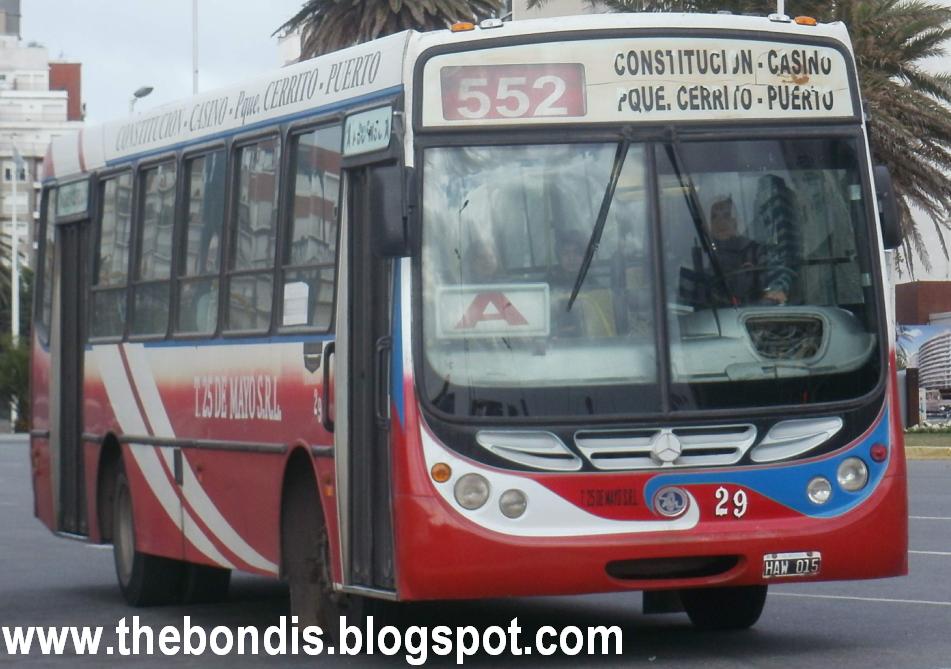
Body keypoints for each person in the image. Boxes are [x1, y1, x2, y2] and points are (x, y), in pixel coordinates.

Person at [706, 196, 762, 305]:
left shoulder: (755, 251)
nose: (720, 222)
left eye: (726, 216)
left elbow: (775, 281)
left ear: (735, 221)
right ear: (708, 224)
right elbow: (686, 305)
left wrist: (776, 289)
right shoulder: (701, 256)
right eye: (714, 217)